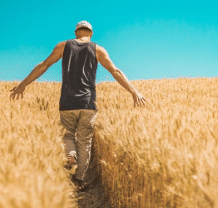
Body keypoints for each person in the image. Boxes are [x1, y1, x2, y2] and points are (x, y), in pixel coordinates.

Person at [9, 21, 146, 191]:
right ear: (91, 33)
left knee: (67, 136)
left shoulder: (63, 46)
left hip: (67, 102)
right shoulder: (98, 49)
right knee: (85, 142)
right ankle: (79, 180)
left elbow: (43, 65)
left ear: (76, 32)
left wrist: (23, 84)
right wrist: (134, 92)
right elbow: (115, 71)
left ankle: (70, 155)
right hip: (88, 103)